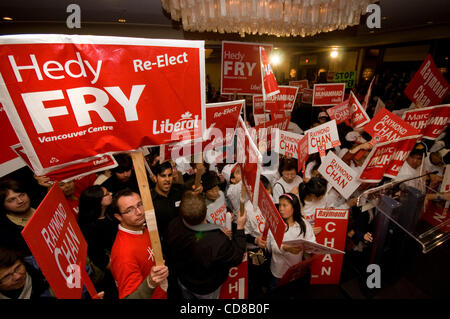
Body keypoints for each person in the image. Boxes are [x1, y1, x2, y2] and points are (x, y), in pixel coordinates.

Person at [164, 191, 247, 299]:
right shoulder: (217, 241)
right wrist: (240, 227)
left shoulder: (173, 226)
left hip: (184, 280)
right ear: (205, 212)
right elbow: (236, 257)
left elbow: (197, 236)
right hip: (206, 289)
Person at [109, 189, 169, 299]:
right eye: (129, 210)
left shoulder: (140, 227)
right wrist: (150, 283)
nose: (139, 212)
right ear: (118, 217)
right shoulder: (123, 254)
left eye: (140, 204)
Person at [265, 193, 315, 290]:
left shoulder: (304, 224)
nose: (281, 209)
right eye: (280, 205)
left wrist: (309, 248)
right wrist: (286, 248)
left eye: (285, 205)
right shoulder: (276, 223)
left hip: (296, 269)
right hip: (278, 271)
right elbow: (272, 246)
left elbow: (311, 241)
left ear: (294, 207)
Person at [78, 185, 118, 298]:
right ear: (98, 201)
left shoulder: (110, 212)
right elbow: (100, 258)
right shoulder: (88, 228)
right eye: (106, 194)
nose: (111, 193)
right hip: (110, 275)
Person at [0, 179, 36, 256]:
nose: (20, 201)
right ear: (3, 204)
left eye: (22, 195)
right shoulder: (6, 232)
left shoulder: (43, 204)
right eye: (12, 200)